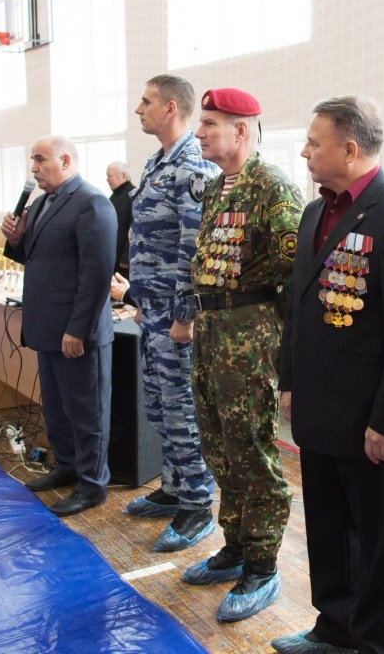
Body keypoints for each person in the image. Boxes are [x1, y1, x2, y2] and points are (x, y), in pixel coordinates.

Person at [271, 95, 384, 654]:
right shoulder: (316, 210)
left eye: (313, 143)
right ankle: (335, 629)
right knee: (328, 533)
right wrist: (290, 381)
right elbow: (299, 304)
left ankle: (378, 645)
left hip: (372, 420)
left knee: (380, 546)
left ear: (349, 147)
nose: (304, 152)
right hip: (320, 409)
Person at [182, 88, 304, 622]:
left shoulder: (271, 187)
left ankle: (263, 563)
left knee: (253, 452)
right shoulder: (214, 189)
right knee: (218, 446)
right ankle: (234, 545)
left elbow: (296, 274)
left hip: (249, 338)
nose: (199, 132)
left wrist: (282, 350)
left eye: (209, 123)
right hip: (211, 332)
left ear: (242, 130)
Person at [125, 74, 218, 552]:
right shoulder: (157, 161)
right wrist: (141, 300)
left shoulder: (191, 165)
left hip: (175, 316)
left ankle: (198, 504)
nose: (138, 109)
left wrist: (184, 315)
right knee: (160, 405)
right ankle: (174, 488)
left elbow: (192, 247)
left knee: (181, 406)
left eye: (146, 102)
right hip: (153, 308)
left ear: (170, 108)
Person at [1, 135, 117, 518]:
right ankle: (66, 466)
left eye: (40, 159)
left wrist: (78, 329)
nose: (33, 168)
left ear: (65, 160)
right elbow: (36, 257)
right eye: (32, 160)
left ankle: (92, 484)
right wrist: (15, 239)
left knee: (86, 411)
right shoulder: (40, 204)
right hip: (45, 325)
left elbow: (97, 274)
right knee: (55, 406)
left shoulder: (92, 202)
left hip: (74, 331)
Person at [106, 161, 135, 279]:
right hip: (113, 255)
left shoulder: (133, 195)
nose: (107, 179)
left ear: (123, 175)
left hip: (123, 262)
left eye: (110, 176)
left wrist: (126, 258)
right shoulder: (114, 197)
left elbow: (134, 228)